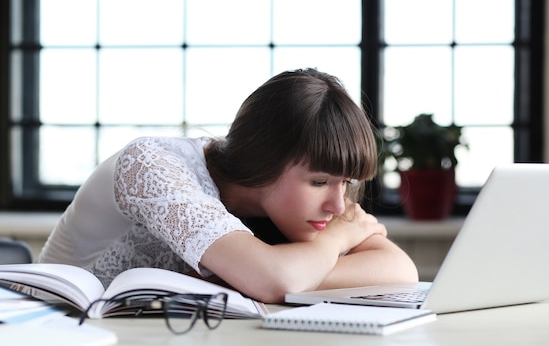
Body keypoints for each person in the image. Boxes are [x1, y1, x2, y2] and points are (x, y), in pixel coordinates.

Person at [39, 68, 419, 303]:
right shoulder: (152, 165)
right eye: (319, 182)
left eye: (347, 182)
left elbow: (399, 269)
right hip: (55, 333)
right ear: (266, 161)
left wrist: (256, 277)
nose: (338, 205)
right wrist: (331, 245)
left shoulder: (319, 197)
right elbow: (276, 279)